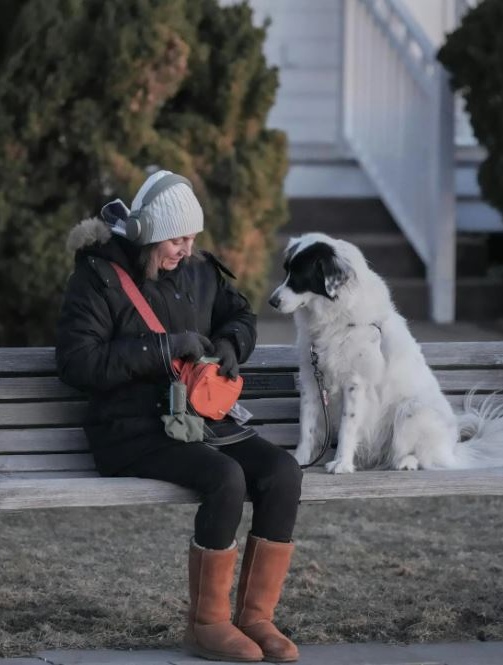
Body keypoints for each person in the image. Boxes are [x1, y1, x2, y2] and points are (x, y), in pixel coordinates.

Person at [56, 170, 303, 663]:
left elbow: (242, 316)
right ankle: (207, 625)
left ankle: (256, 618)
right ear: (148, 233)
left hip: (198, 418)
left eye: (192, 238)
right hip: (130, 429)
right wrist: (162, 348)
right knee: (225, 477)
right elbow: (78, 363)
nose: (187, 250)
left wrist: (232, 344)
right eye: (177, 240)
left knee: (282, 472)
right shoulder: (98, 277)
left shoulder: (199, 270)